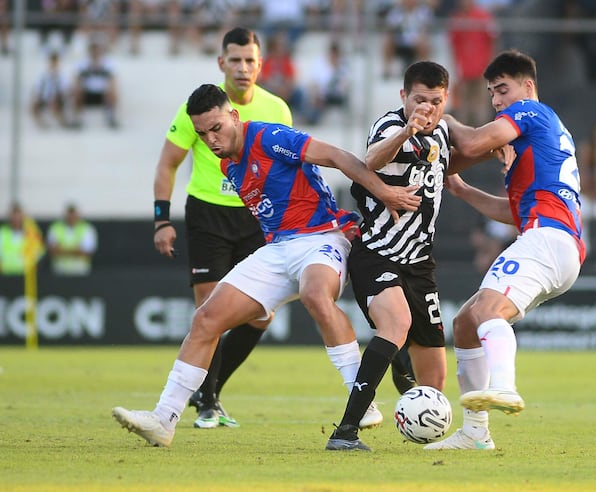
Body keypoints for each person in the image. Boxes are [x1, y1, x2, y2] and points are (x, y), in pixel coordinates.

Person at [112, 83, 421, 448]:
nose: (210, 140)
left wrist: (383, 192)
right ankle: (164, 419)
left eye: (216, 128)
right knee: (205, 319)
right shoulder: (228, 164)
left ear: (234, 116)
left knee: (315, 294)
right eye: (201, 134)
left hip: (323, 237)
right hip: (277, 250)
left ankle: (362, 400)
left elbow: (337, 156)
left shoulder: (270, 136)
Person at [424, 49, 585, 450]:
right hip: (551, 242)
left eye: (502, 90)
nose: (496, 101)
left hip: (547, 238)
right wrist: (461, 189)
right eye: (492, 93)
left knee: (487, 312)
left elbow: (476, 141)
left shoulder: (532, 110)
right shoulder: (535, 147)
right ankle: (475, 434)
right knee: (464, 323)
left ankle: (505, 387)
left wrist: (444, 120)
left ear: (526, 87)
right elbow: (510, 213)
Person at [150, 27, 296, 430]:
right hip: (208, 213)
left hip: (256, 216)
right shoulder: (198, 106)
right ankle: (209, 401)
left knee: (261, 316)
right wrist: (162, 218)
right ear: (221, 63)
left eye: (250, 60)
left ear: (260, 64)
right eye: (235, 60)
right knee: (209, 308)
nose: (243, 67)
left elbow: (287, 167)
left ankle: (209, 391)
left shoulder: (277, 109)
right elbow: (168, 163)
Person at [325, 61, 458, 451]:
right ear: (404, 96)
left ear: (445, 99)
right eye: (420, 99)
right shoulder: (390, 127)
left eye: (435, 101)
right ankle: (345, 432)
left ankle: (405, 377)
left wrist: (498, 145)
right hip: (377, 253)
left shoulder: (445, 129)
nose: (427, 108)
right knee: (396, 323)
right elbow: (372, 160)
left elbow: (465, 142)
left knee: (433, 380)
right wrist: (407, 130)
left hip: (419, 263)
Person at [447, 0, 498, 127]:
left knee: (481, 104)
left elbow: (493, 40)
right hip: (464, 69)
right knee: (463, 105)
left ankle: (482, 134)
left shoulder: (483, 17)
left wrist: (491, 65)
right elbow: (453, 44)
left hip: (482, 69)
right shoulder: (456, 19)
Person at [70, 38, 119, 129]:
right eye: (93, 50)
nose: (95, 53)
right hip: (87, 94)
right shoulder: (82, 64)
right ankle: (77, 118)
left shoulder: (108, 64)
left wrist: (111, 88)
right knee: (77, 91)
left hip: (102, 94)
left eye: (97, 50)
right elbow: (76, 80)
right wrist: (78, 87)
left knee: (112, 90)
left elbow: (113, 80)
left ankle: (111, 116)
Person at [46, 203, 98, 276]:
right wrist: (76, 250)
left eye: (73, 215)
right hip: (59, 271)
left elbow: (87, 252)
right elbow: (52, 251)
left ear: (78, 215)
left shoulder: (87, 229)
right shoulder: (55, 228)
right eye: (69, 215)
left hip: (80, 271)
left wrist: (62, 250)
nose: (71, 218)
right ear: (65, 215)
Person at [0, 203, 45, 276]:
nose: (16, 219)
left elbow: (39, 254)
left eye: (18, 216)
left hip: (25, 276)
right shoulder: (2, 233)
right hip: (5, 274)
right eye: (14, 217)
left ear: (23, 216)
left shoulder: (32, 233)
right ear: (9, 217)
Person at [30, 51, 71, 129]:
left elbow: (65, 90)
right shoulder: (43, 75)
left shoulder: (63, 76)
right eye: (52, 62)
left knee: (55, 101)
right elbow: (38, 89)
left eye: (55, 62)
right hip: (45, 98)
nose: (53, 64)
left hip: (58, 98)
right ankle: (42, 123)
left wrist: (57, 97)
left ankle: (62, 120)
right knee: (33, 104)